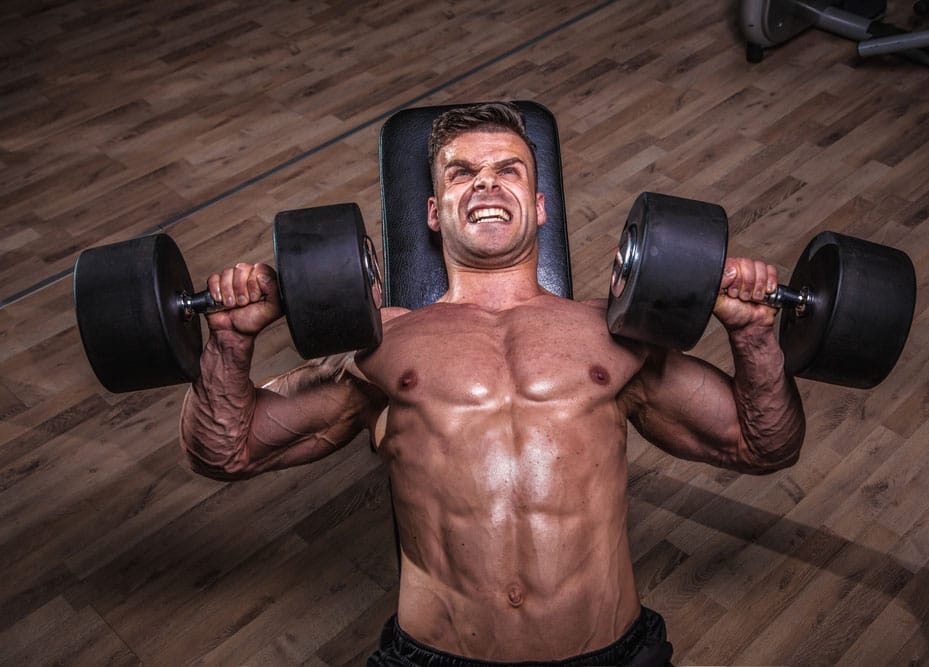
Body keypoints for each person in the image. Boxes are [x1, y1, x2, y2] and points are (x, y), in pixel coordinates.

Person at [180, 102, 806, 666]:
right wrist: (230, 342)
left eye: (509, 170)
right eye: (460, 173)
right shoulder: (381, 345)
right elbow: (226, 449)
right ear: (433, 211)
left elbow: (762, 445)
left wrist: (753, 336)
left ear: (539, 205)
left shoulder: (615, 338)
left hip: (610, 655)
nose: (485, 182)